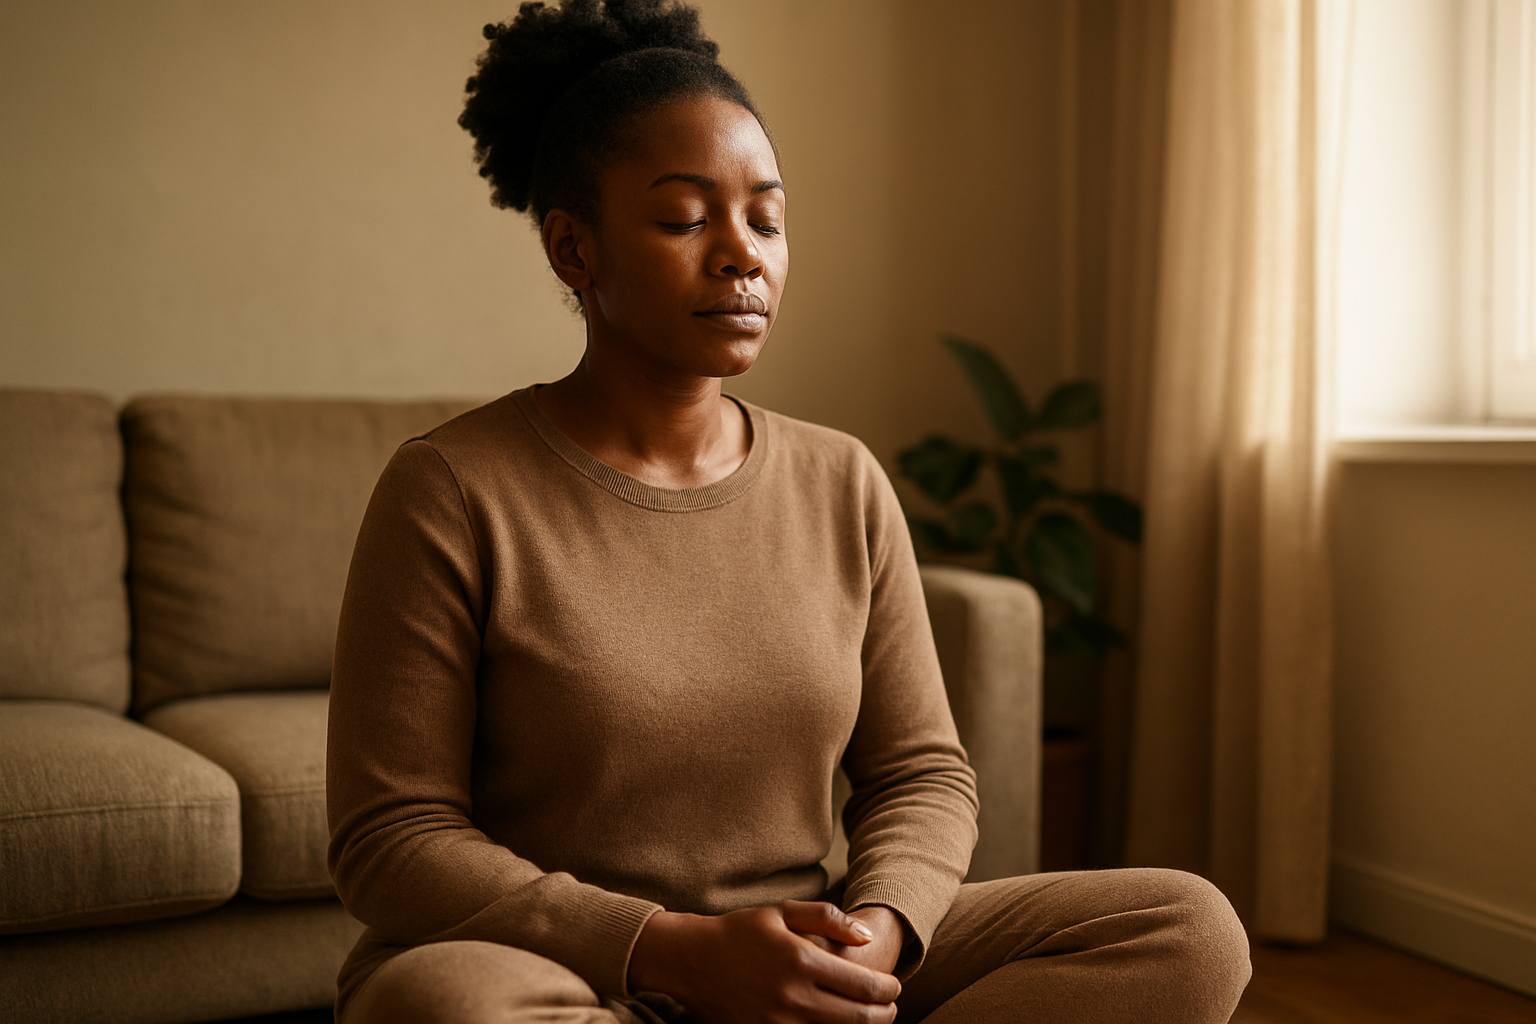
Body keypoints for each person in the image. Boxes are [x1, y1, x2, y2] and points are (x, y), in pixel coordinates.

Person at [325, 2, 1253, 1021]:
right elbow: (392, 839)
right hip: (577, 974)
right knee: (441, 1009)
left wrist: (870, 940)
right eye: (685, 219)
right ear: (573, 249)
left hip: (809, 955)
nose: (742, 253)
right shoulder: (453, 488)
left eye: (765, 218)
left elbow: (923, 773)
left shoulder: (843, 480)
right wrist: (675, 949)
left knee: (1187, 928)